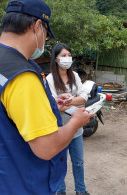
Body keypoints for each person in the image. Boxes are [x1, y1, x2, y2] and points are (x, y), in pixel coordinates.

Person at [0, 0, 93, 195]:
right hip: (23, 184)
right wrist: (75, 122)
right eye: (46, 33)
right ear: (37, 26)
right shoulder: (22, 75)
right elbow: (46, 147)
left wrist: (50, 104)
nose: (45, 39)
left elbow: (7, 112)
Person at [46, 43, 90, 195]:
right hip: (59, 128)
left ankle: (81, 190)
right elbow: (52, 105)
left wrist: (67, 103)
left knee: (78, 162)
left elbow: (84, 98)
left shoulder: (75, 76)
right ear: (56, 59)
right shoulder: (50, 79)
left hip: (76, 128)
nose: (67, 58)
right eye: (63, 55)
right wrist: (73, 102)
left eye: (69, 55)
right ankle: (60, 190)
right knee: (59, 162)